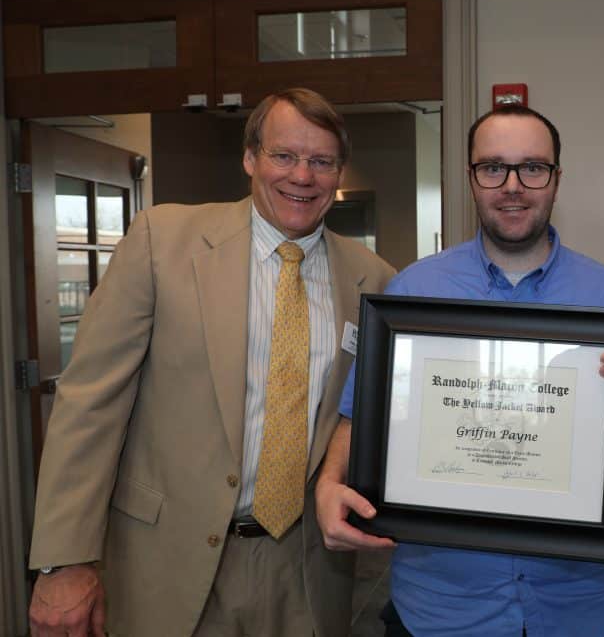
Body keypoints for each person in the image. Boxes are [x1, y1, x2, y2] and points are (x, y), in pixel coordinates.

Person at [28, 87, 395, 636]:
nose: (303, 175)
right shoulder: (162, 243)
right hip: (168, 562)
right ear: (250, 158)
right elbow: (89, 404)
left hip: (308, 570)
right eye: (284, 155)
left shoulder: (374, 280)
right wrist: (64, 559)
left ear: (339, 172)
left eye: (321, 161)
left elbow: (364, 424)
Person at [315, 104, 604, 637]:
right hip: (442, 606)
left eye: (532, 167)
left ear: (556, 179)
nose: (513, 185)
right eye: (493, 168)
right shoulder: (414, 292)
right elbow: (361, 414)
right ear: (470, 178)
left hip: (577, 608)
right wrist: (328, 482)